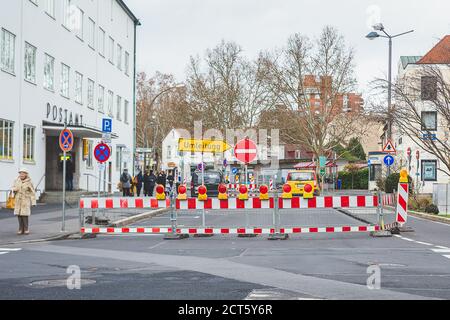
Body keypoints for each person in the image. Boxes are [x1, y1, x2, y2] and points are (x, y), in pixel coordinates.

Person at [11, 168, 37, 235]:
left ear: (26, 174)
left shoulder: (29, 182)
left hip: (25, 200)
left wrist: (33, 202)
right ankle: (20, 229)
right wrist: (14, 189)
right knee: (19, 214)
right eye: (20, 173)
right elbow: (12, 187)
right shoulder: (16, 180)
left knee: (25, 215)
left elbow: (32, 192)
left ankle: (26, 229)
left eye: (23, 173)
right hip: (18, 200)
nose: (21, 174)